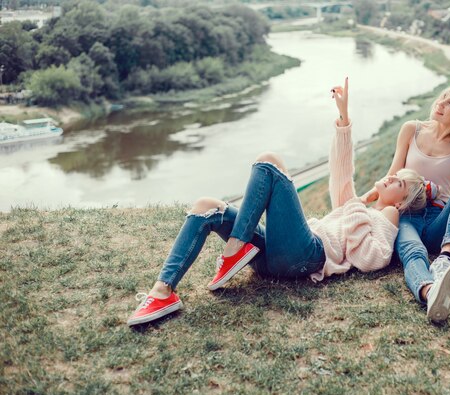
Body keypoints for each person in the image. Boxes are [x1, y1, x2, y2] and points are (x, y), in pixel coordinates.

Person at [127, 78, 428, 326]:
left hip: (308, 255)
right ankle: (162, 291)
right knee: (207, 206)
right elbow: (341, 172)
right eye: (395, 176)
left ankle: (235, 249)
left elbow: (374, 259)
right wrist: (344, 118)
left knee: (269, 162)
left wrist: (360, 207)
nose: (390, 178)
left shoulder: (387, 214)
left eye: (398, 182)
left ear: (401, 203)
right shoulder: (360, 208)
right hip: (276, 256)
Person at [361, 83, 450, 323]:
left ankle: (445, 258)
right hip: (407, 213)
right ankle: (431, 293)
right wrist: (365, 198)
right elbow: (393, 173)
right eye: (443, 98)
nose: (440, 104)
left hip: (438, 218)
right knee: (413, 250)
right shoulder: (411, 130)